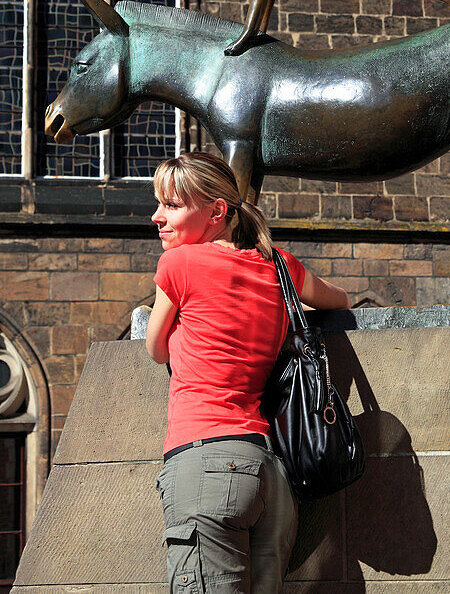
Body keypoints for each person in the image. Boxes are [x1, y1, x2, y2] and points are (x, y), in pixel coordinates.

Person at [146, 152, 351, 594]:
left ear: (217, 211)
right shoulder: (280, 264)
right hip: (270, 473)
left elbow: (155, 347)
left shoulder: (179, 265)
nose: (157, 216)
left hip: (206, 461)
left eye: (172, 205)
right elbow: (340, 300)